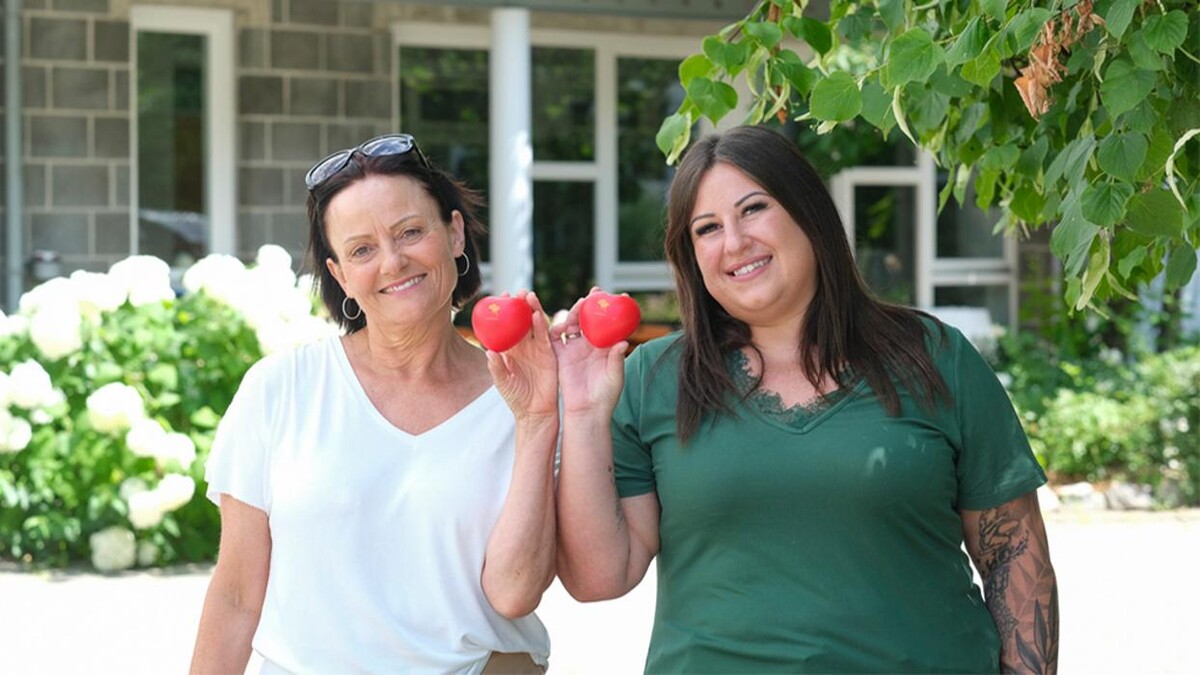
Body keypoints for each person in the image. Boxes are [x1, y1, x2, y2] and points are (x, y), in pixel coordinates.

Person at [552, 125, 1058, 673]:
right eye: (707, 228)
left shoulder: (934, 356)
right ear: (691, 255)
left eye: (753, 209)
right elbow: (598, 578)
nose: (734, 242)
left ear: (807, 212)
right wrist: (581, 411)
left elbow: (1012, 552)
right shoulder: (654, 378)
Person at [191, 133, 558, 674]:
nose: (393, 261)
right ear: (340, 274)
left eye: (410, 232)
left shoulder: (523, 396)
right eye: (362, 249)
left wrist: (538, 421)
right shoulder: (281, 388)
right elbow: (237, 595)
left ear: (455, 233)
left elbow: (516, 592)